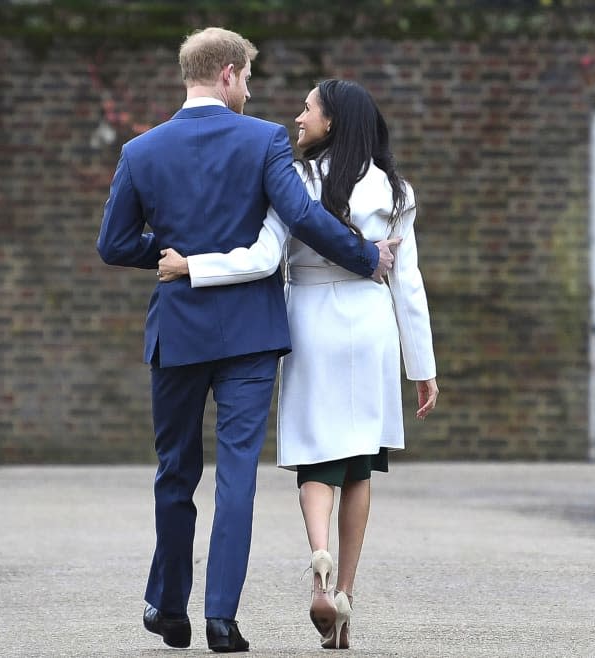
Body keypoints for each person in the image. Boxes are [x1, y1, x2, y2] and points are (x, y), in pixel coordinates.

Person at [95, 28, 398, 653]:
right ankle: (220, 620)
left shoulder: (141, 151)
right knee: (237, 477)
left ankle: (167, 605)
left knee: (175, 473)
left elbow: (114, 244)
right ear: (229, 73)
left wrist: (178, 253)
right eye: (250, 77)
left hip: (178, 332)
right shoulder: (262, 140)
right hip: (251, 337)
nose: (252, 90)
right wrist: (367, 258)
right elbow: (306, 220)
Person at [157, 79, 439, 650]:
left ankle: (320, 564)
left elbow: (262, 259)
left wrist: (194, 267)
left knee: (317, 454)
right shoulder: (397, 190)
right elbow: (408, 284)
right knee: (361, 462)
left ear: (332, 121)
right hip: (373, 324)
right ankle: (347, 597)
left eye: (308, 107)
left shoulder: (297, 178)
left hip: (311, 320)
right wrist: (423, 367)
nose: (297, 115)